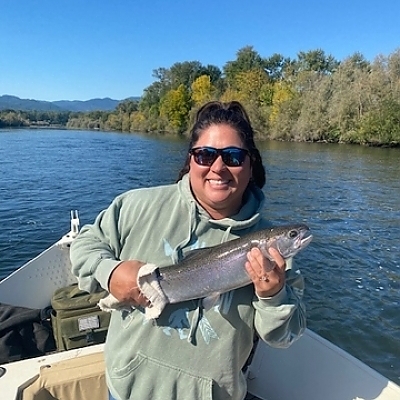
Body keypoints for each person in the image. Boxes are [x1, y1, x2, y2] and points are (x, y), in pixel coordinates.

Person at [70, 100, 306, 400]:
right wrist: (110, 272)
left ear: (250, 166)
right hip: (127, 390)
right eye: (205, 155)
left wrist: (273, 297)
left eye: (233, 157)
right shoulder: (137, 206)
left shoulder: (276, 260)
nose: (218, 167)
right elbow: (84, 244)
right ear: (191, 160)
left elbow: (286, 335)